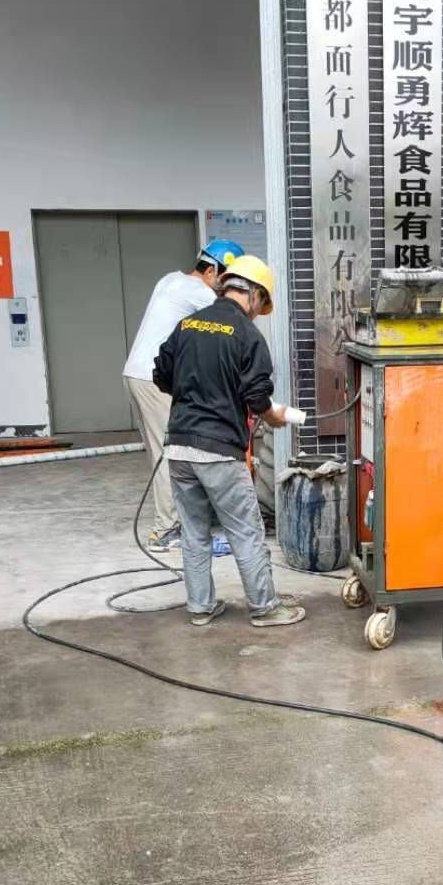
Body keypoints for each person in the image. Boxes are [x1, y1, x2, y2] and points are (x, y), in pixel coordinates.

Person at [153, 254, 307, 628]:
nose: (258, 312)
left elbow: (161, 373)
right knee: (245, 530)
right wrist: (273, 416)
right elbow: (257, 398)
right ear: (254, 295)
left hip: (179, 446)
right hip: (219, 450)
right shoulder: (247, 335)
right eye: (261, 303)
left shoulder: (187, 325)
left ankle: (200, 607)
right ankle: (265, 607)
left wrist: (196, 395)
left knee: (193, 532)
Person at [122, 237, 242, 551]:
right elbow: (231, 324)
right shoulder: (200, 293)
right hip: (153, 379)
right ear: (212, 271)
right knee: (170, 454)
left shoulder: (171, 279)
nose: (226, 290)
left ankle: (177, 521)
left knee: (162, 452)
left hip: (137, 374)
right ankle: (166, 530)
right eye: (227, 281)